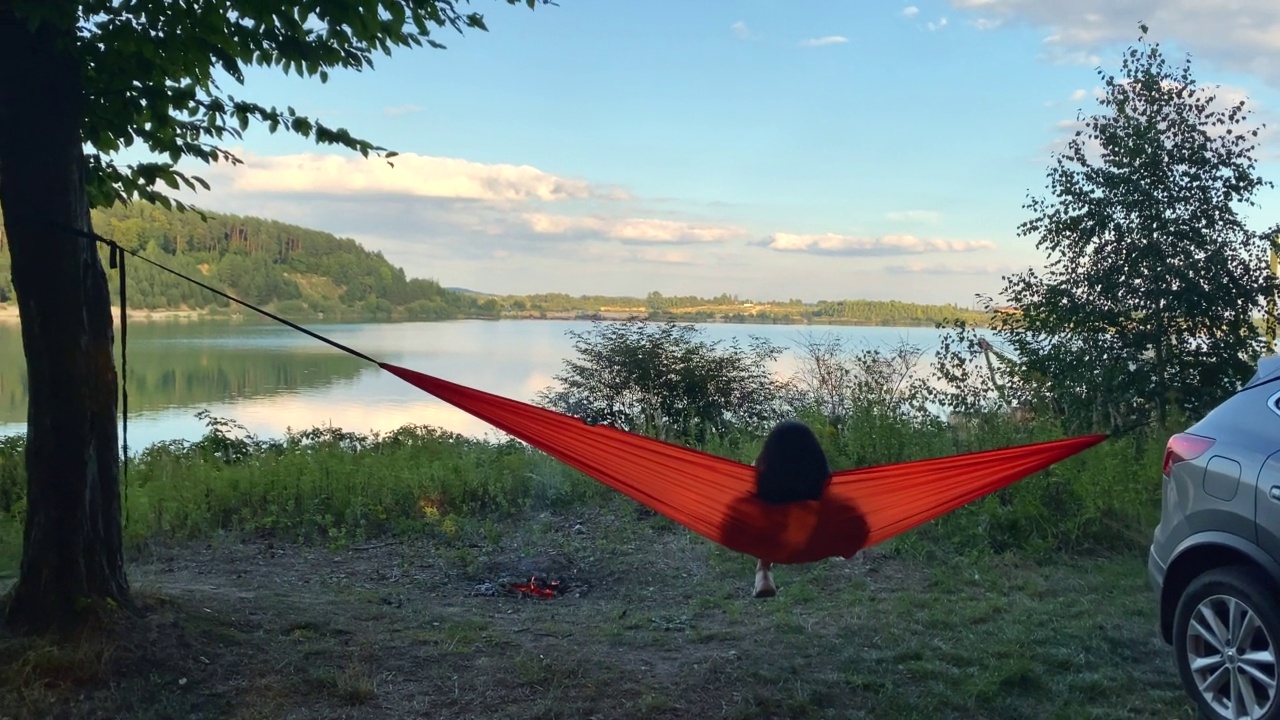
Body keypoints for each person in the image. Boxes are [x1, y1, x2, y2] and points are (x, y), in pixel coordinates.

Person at [750, 419, 835, 598]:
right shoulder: (825, 489)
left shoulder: (761, 488)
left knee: (762, 508)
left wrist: (757, 473)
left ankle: (763, 571)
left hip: (774, 534)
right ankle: (763, 570)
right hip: (812, 537)